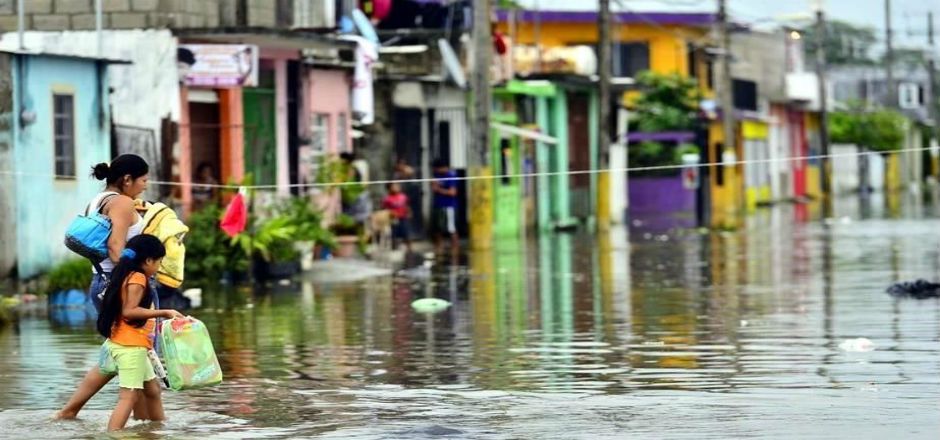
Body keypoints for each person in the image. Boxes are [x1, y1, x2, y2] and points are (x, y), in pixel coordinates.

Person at [56, 154, 152, 420]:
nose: (145, 185)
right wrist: (136, 279)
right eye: (143, 179)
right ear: (127, 179)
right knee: (130, 354)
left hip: (102, 281)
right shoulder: (121, 202)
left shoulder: (99, 200)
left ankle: (146, 426)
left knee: (122, 356)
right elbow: (115, 248)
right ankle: (131, 424)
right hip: (119, 285)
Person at [93, 235, 184, 431]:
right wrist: (165, 312)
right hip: (130, 346)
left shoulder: (126, 274)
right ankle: (113, 434)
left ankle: (156, 430)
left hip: (131, 343)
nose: (159, 266)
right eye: (159, 261)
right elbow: (129, 311)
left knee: (152, 390)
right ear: (149, 260)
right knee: (129, 397)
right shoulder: (138, 278)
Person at [430, 159, 459, 255]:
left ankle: (455, 249)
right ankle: (439, 248)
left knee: (451, 228)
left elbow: (452, 192)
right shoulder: (437, 176)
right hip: (438, 205)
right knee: (438, 228)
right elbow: (433, 189)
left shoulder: (451, 176)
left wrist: (439, 190)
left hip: (449, 206)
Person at [382, 182, 412, 253]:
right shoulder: (387, 199)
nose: (397, 187)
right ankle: (394, 250)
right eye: (394, 186)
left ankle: (410, 250)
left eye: (397, 186)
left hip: (403, 218)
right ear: (389, 189)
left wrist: (409, 213)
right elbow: (385, 209)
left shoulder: (403, 196)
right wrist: (390, 212)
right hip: (393, 219)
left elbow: (407, 206)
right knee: (393, 235)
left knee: (406, 234)